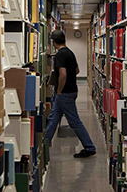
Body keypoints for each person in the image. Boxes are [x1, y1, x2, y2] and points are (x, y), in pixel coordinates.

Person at [44, 30, 96, 158]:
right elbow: (76, 70)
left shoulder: (60, 55)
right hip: (71, 90)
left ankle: (89, 147)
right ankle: (44, 145)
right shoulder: (70, 53)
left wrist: (60, 91)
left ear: (53, 41)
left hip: (64, 93)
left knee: (74, 121)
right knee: (53, 119)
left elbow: (63, 74)